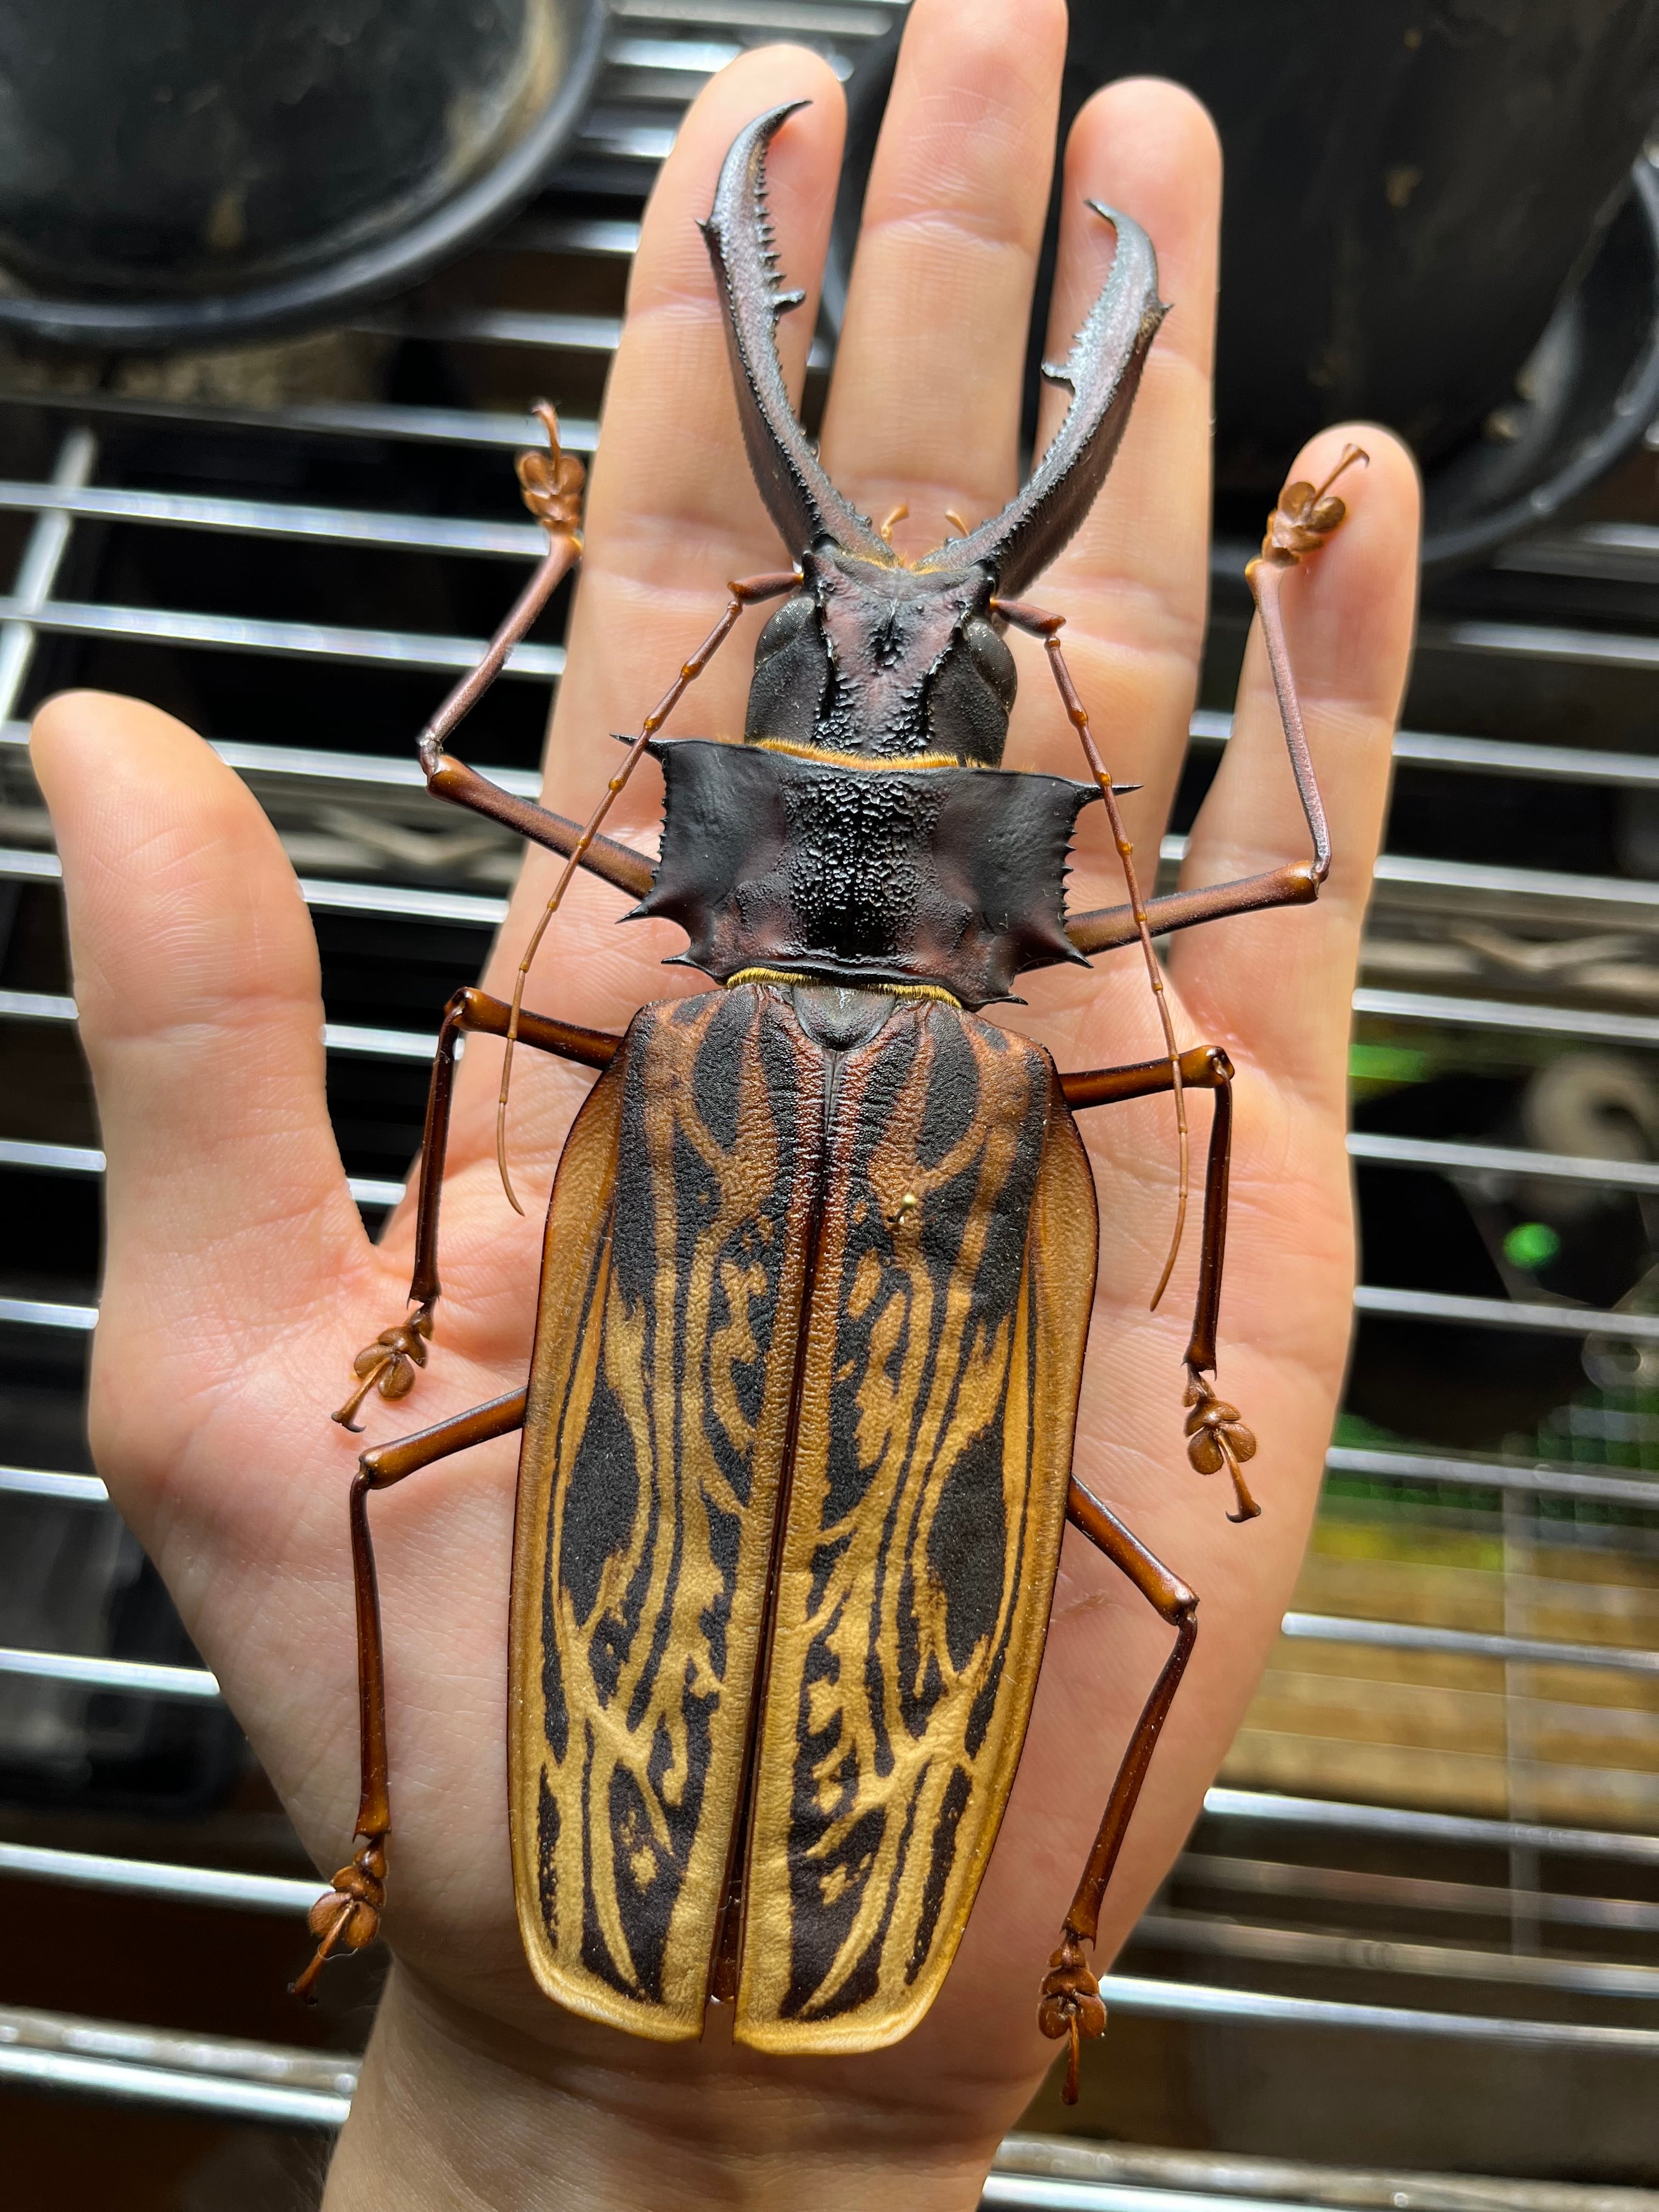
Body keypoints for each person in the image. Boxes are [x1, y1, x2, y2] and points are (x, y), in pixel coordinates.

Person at [29, 1, 1419, 2203]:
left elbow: (465, 844)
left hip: (741, 1686)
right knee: (1143, 1595)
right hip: (804, 1759)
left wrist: (572, 559)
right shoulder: (1012, 1050)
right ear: (992, 854)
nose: (882, 648)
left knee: (415, 1487)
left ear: (722, 826)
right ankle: (1064, 1958)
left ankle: (439, 1849)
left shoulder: (663, 1030)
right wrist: (1262, 603)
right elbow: (1291, 913)